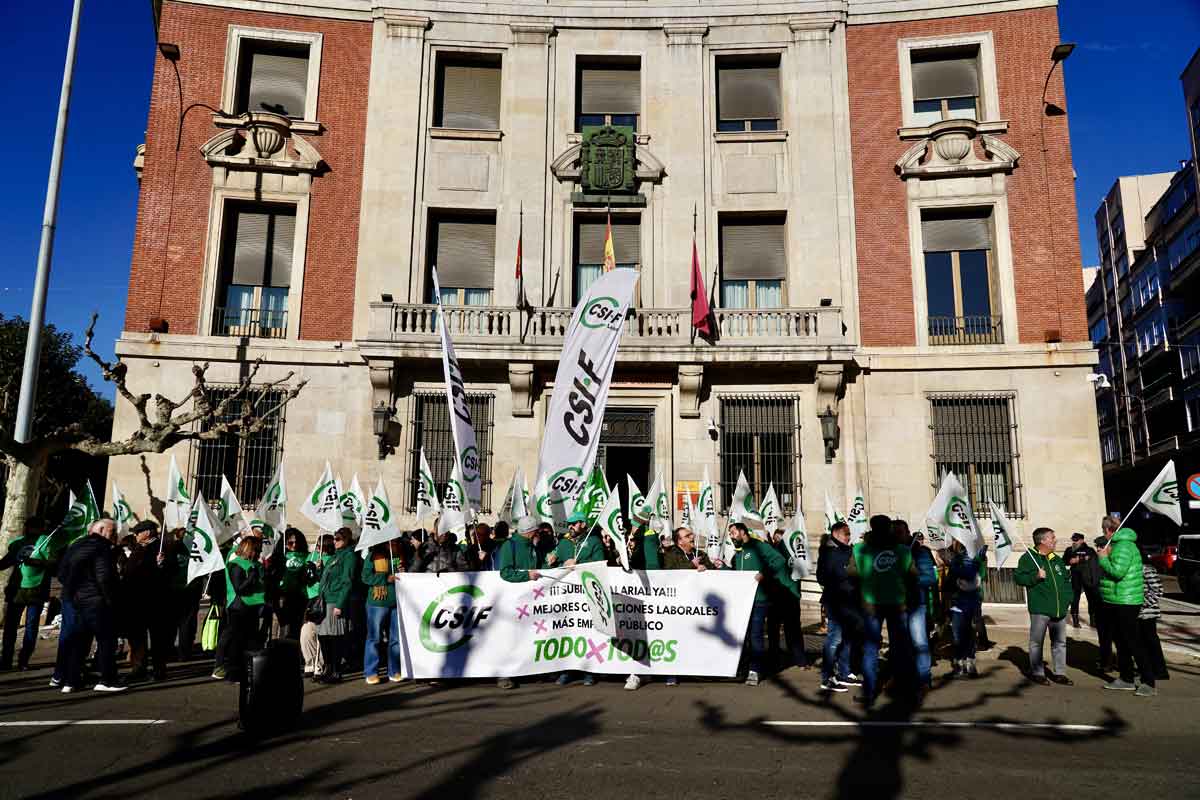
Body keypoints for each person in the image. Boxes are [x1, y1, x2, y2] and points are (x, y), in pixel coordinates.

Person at [847, 515, 914, 708]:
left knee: (870, 648)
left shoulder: (859, 549)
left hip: (871, 604)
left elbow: (851, 573)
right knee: (899, 647)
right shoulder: (902, 550)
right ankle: (901, 688)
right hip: (897, 603)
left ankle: (869, 691)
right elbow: (912, 576)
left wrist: (869, 577)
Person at [725, 522, 802, 687]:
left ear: (742, 531)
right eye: (730, 533)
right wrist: (722, 567)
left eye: (732, 532)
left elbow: (779, 560)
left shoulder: (758, 545)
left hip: (759, 599)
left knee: (755, 635)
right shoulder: (738, 553)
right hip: (743, 601)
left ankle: (755, 670)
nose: (731, 536)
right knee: (744, 636)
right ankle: (743, 669)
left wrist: (764, 573)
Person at [58, 519, 126, 693]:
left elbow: (62, 573)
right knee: (106, 641)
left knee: (79, 642)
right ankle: (107, 679)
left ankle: (71, 681)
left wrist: (74, 593)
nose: (115, 535)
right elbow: (104, 577)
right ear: (102, 530)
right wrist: (110, 600)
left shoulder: (76, 545)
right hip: (97, 601)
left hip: (78, 600)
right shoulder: (101, 548)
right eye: (113, 531)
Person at [548, 511, 605, 687]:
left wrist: (578, 566)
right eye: (570, 523)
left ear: (583, 524)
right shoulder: (563, 543)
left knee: (587, 631)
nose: (571, 526)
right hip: (567, 596)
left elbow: (600, 564)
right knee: (568, 631)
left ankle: (588, 671)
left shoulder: (594, 541)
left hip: (586, 593)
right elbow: (552, 565)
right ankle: (566, 670)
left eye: (574, 523)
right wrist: (555, 562)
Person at [1098, 527, 1155, 696]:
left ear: (1110, 530)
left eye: (1104, 530)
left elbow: (1117, 572)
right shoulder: (1120, 545)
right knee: (1121, 641)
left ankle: (1148, 681)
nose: (1103, 534)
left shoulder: (1123, 546)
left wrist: (1103, 558)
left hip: (1126, 600)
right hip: (1116, 599)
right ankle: (1126, 678)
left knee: (1132, 641)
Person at [1013, 528, 1074, 686]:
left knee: (1060, 643)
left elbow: (1066, 581)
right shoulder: (1028, 558)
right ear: (1042, 541)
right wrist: (1035, 577)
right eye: (1052, 538)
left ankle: (1060, 673)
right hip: (1040, 609)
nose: (1055, 540)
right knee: (1036, 642)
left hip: (1060, 610)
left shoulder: (1057, 559)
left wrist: (1068, 599)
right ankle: (1038, 672)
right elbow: (1018, 578)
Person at [123, 520, 180, 681]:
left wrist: (162, 565)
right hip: (136, 603)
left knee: (158, 639)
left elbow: (173, 571)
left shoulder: (163, 548)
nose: (135, 535)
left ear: (147, 532)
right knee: (137, 639)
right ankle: (138, 669)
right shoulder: (138, 548)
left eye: (137, 532)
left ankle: (158, 670)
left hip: (156, 602)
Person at [495, 515, 543, 689]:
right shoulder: (510, 545)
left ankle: (525, 670)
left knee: (527, 635)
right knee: (510, 637)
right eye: (536, 530)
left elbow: (536, 567)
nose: (539, 532)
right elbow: (505, 573)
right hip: (513, 600)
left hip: (529, 599)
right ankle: (504, 675)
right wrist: (526, 576)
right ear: (530, 532)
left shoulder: (533, 545)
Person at [2, 517, 53, 671]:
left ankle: (20, 660)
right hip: (18, 589)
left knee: (28, 626)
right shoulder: (18, 542)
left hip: (35, 589)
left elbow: (53, 563)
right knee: (14, 626)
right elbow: (7, 561)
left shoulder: (46, 541)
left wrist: (35, 562)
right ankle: (9, 660)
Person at [816, 521, 862, 694]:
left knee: (848, 638)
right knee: (834, 639)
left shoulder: (849, 551)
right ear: (835, 534)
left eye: (849, 534)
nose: (848, 537)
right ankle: (827, 677)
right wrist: (844, 578)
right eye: (846, 534)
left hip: (850, 602)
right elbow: (822, 577)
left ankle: (844, 672)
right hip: (836, 602)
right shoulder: (828, 553)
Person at [215, 535, 265, 682]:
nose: (259, 553)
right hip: (239, 607)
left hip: (252, 606)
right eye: (257, 550)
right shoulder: (236, 565)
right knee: (237, 641)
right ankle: (233, 672)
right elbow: (239, 588)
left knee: (250, 640)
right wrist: (251, 577)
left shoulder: (252, 564)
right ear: (249, 550)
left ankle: (247, 670)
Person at [897, 520, 937, 695]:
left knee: (920, 642)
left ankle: (923, 679)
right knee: (899, 644)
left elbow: (930, 578)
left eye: (899, 532)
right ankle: (901, 678)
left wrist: (910, 581)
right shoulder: (892, 553)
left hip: (915, 604)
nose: (895, 536)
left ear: (907, 533)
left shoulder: (920, 553)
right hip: (895, 605)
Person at [314, 527, 357, 684]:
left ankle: (336, 671)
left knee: (334, 637)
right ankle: (328, 668)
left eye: (338, 538)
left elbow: (347, 581)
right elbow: (326, 580)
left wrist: (340, 603)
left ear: (346, 540)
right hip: (325, 600)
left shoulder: (349, 556)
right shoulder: (333, 557)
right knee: (323, 636)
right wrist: (319, 571)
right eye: (334, 538)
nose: (334, 541)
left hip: (335, 600)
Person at [362, 542, 404, 684]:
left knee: (396, 639)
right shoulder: (372, 556)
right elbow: (366, 577)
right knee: (374, 638)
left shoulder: (399, 554)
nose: (392, 542)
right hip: (377, 603)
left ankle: (394, 670)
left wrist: (403, 571)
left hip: (396, 601)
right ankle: (371, 672)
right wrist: (385, 578)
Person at [947, 540, 988, 679]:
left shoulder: (960, 561)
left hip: (965, 603)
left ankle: (964, 666)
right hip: (967, 603)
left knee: (962, 636)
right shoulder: (972, 560)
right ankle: (966, 665)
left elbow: (950, 582)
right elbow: (982, 576)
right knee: (965, 635)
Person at [301, 533, 332, 675]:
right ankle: (310, 661)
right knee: (306, 633)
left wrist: (320, 570)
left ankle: (319, 664)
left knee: (320, 634)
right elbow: (305, 577)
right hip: (310, 600)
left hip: (323, 599)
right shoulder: (311, 556)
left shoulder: (332, 559)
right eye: (319, 545)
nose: (321, 548)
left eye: (324, 546)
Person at [276, 528, 313, 640]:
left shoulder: (308, 556)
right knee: (283, 629)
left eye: (297, 542)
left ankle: (296, 654)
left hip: (301, 597)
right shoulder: (279, 556)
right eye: (290, 542)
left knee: (298, 629)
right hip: (283, 597)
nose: (294, 545)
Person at [1095, 516, 1120, 670]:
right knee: (1104, 637)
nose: (1098, 549)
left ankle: (1121, 663)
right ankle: (1106, 662)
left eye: (1101, 546)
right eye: (1097, 546)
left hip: (1114, 603)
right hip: (1101, 603)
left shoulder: (1114, 560)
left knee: (1118, 636)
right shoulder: (1097, 559)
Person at [1139, 556, 1169, 682]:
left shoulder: (1147, 569)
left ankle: (1160, 671)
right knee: (1143, 642)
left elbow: (1157, 590)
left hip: (1148, 612)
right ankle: (1149, 669)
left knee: (1151, 642)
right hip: (1138, 612)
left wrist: (1142, 603)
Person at [1063, 533, 1100, 628]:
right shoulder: (1069, 550)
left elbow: (1093, 559)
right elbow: (1064, 561)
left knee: (1091, 599)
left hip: (1088, 577)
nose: (1074, 542)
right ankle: (1075, 622)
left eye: (1076, 540)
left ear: (1082, 540)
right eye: (1073, 540)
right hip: (1075, 577)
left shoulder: (1089, 550)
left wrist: (1079, 559)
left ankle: (1093, 621)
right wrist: (1070, 561)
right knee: (1075, 599)